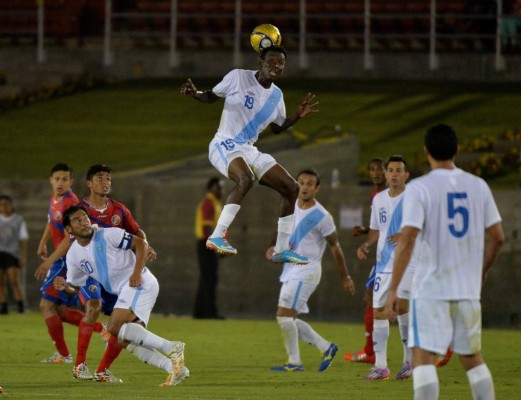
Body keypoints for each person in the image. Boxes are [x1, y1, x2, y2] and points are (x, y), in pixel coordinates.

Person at [385, 124, 505, 399]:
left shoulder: (420, 188)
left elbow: (408, 239)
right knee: (472, 358)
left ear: (426, 151)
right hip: (467, 290)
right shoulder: (478, 185)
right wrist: (482, 271)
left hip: (430, 290)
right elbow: (497, 237)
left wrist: (394, 289)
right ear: (457, 151)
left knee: (422, 355)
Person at [180, 45, 318, 264]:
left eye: (280, 63)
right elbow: (210, 96)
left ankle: (281, 249)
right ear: (260, 62)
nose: (276, 65)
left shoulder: (276, 96)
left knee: (292, 188)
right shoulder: (238, 78)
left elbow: (277, 127)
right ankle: (216, 236)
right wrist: (193, 93)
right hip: (224, 143)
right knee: (246, 179)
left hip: (248, 149)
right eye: (271, 61)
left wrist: (297, 116)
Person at [36, 164, 156, 382]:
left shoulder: (119, 210)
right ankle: (79, 366)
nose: (105, 182)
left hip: (114, 276)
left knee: (121, 326)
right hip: (89, 270)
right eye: (100, 178)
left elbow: (137, 233)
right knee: (93, 307)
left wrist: (147, 245)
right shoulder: (79, 210)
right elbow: (69, 238)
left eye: (108, 178)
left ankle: (103, 369)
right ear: (89, 183)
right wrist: (52, 260)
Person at [54, 205, 188, 387]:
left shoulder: (108, 234)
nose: (84, 222)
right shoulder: (74, 255)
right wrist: (64, 286)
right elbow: (74, 287)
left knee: (113, 327)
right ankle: (174, 369)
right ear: (69, 229)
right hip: (132, 288)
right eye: (77, 220)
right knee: (124, 339)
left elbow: (141, 244)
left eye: (84, 217)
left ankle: (172, 347)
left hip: (140, 283)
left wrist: (136, 273)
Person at [267, 168, 355, 372]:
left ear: (317, 189)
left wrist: (345, 276)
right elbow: (281, 229)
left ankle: (295, 362)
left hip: (307, 271)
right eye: (301, 183)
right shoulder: (290, 205)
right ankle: (327, 347)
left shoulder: (322, 216)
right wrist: (274, 247)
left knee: (283, 315)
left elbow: (335, 246)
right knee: (289, 318)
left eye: (309, 184)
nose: (304, 187)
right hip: (291, 270)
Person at [36, 163, 104, 364]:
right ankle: (102, 329)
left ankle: (64, 355)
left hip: (66, 259)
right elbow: (51, 221)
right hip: (59, 259)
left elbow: (69, 238)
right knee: (57, 310)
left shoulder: (70, 203)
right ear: (51, 180)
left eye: (64, 179)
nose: (60, 182)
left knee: (46, 305)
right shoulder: (55, 199)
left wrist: (49, 261)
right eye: (57, 179)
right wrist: (42, 242)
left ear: (71, 182)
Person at [355, 155, 415, 381]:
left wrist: (406, 233)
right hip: (382, 265)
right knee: (379, 311)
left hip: (408, 263)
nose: (394, 174)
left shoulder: (414, 198)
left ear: (406, 175)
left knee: (402, 309)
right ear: (386, 173)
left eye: (399, 170)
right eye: (391, 170)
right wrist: (366, 245)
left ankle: (408, 362)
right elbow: (375, 229)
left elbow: (425, 228)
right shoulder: (378, 199)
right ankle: (381, 367)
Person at [344, 158, 386, 364]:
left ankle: (371, 352)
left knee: (401, 305)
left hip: (394, 255)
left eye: (380, 169)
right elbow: (381, 225)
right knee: (371, 297)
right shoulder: (376, 195)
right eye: (372, 169)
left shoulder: (391, 195)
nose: (376, 173)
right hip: (385, 256)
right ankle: (370, 351)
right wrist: (365, 232)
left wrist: (366, 244)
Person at [193, 177, 225, 319]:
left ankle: (200, 312)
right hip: (207, 243)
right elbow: (207, 226)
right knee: (209, 278)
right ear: (211, 188)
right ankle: (208, 312)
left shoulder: (214, 203)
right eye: (219, 187)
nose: (221, 191)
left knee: (207, 278)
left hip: (207, 243)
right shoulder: (209, 203)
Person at [0, 195, 28, 314]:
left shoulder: (18, 220)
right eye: (1, 204)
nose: (4, 206)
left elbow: (23, 239)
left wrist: (22, 256)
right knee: (1, 282)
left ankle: (20, 306)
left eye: (6, 204)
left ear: (11, 205)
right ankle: (4, 307)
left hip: (12, 253)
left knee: (13, 281)